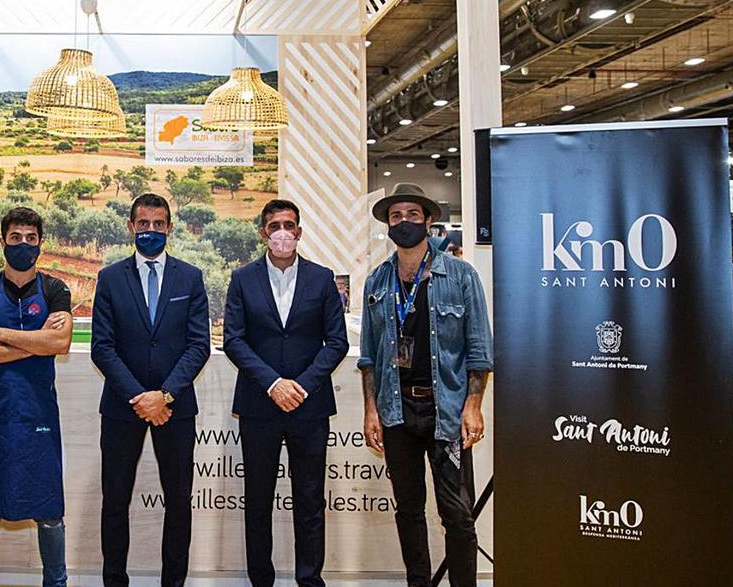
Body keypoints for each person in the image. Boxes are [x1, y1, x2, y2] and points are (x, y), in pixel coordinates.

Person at [359, 183, 492, 587]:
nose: (404, 222)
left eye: (412, 215)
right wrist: (371, 411)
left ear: (428, 220)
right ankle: (418, 582)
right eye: (396, 216)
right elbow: (369, 357)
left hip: (446, 411)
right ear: (387, 223)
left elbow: (479, 349)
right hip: (396, 410)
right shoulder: (377, 281)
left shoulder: (460, 274)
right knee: (408, 510)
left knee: (456, 512)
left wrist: (473, 405)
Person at [223, 199, 349, 587]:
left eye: (289, 224)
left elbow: (336, 342)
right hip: (260, 404)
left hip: (309, 407)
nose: (282, 231)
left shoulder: (321, 278)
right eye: (274, 224)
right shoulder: (243, 278)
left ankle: (310, 579)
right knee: (257, 499)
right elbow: (234, 340)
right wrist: (274, 383)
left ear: (299, 231)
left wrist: (302, 385)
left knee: (310, 499)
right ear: (263, 232)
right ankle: (261, 578)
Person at [91, 193, 210, 587]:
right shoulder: (110, 278)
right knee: (115, 503)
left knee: (179, 503)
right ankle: (114, 581)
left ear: (170, 229)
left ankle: (173, 583)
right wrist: (141, 397)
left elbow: (199, 346)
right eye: (144, 224)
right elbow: (102, 348)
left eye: (159, 225)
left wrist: (165, 395)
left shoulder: (189, 277)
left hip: (176, 408)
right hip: (123, 408)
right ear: (130, 227)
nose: (151, 231)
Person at [0, 207, 74, 587]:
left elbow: (60, 341)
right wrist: (36, 342)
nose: (23, 244)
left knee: (49, 511)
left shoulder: (56, 289)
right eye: (15, 238)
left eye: (30, 238)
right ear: (3, 242)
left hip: (39, 415)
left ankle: (56, 582)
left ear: (40, 243)